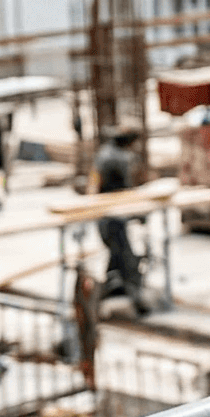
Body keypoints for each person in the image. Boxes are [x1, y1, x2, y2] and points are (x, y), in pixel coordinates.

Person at [90, 125, 153, 313]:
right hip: (113, 215)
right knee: (128, 261)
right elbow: (126, 189)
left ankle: (101, 298)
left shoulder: (104, 153)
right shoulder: (120, 158)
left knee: (116, 258)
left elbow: (95, 184)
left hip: (105, 212)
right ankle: (137, 302)